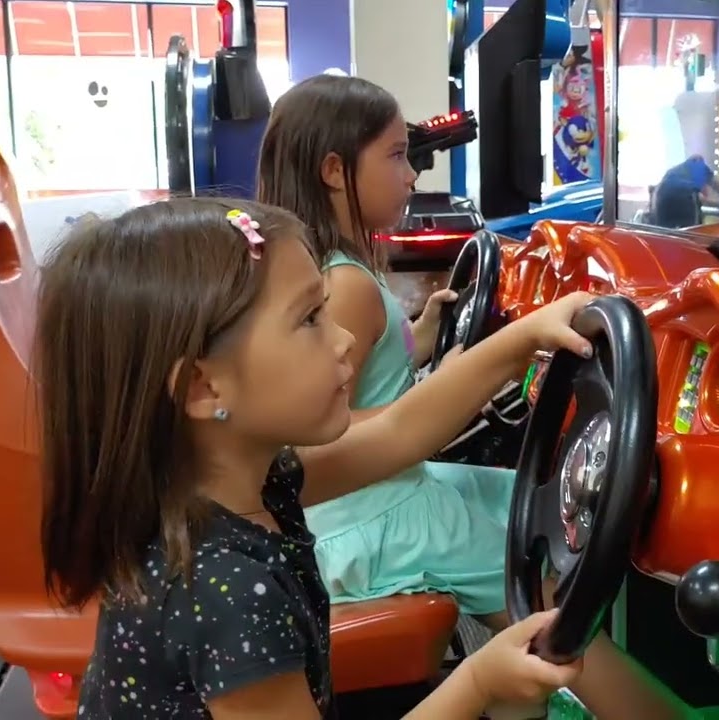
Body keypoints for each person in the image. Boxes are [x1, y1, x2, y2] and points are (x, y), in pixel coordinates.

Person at [35, 198, 595, 719]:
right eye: (310, 320)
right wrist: (478, 684)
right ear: (203, 389)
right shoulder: (223, 590)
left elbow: (401, 430)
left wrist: (522, 340)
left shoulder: (250, 485)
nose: (346, 339)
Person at [256, 75, 693, 720]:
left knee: (520, 493)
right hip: (375, 512)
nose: (412, 176)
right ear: (332, 170)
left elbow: (374, 377)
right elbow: (338, 427)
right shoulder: (345, 283)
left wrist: (429, 336)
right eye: (397, 155)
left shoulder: (348, 267)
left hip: (380, 493)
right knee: (552, 595)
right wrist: (461, 380)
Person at [650, 154, 719, 229]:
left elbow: (701, 199)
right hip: (682, 198)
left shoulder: (673, 172)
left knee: (668, 234)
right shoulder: (700, 166)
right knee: (693, 232)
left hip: (661, 201)